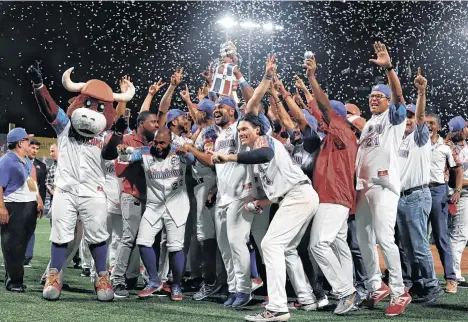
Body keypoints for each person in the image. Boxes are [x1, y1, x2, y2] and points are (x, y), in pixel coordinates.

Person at [354, 42, 411, 316]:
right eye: (372, 96)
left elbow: (400, 98)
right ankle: (376, 285)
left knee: (385, 239)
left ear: (388, 101)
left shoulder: (393, 117)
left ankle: (400, 291)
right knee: (364, 239)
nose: (374, 99)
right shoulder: (368, 123)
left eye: (379, 96)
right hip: (364, 187)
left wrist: (389, 68)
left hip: (384, 186)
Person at [304, 56, 360, 315]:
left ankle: (345, 292)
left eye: (327, 114)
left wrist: (313, 78)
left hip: (333, 198)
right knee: (339, 246)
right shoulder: (332, 134)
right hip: (338, 199)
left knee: (317, 246)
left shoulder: (342, 131)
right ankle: (349, 290)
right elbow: (316, 111)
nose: (321, 118)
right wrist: (294, 92)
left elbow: (323, 108)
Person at [122, 128, 195, 301]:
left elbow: (191, 160)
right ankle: (154, 281)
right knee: (143, 241)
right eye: (156, 142)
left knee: (175, 247)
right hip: (154, 205)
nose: (159, 146)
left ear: (170, 142)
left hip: (177, 205)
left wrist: (187, 152)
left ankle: (176, 285)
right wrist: (122, 151)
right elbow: (128, 156)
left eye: (163, 143)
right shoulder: (145, 152)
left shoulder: (179, 152)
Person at [396, 69, 443, 303]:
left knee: (419, 244)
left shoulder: (419, 137)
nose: (409, 120)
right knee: (407, 246)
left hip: (417, 195)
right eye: (406, 116)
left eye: (412, 117)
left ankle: (433, 285)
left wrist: (421, 92)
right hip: (401, 197)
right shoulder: (400, 140)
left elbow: (422, 114)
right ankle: (418, 284)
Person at [102, 110, 159, 298]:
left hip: (150, 198)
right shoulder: (126, 139)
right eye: (153, 122)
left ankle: (140, 277)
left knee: (146, 240)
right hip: (131, 195)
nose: (157, 125)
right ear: (141, 124)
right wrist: (138, 157)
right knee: (128, 238)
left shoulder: (154, 143)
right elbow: (118, 170)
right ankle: (117, 279)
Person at [0, 128, 43, 292]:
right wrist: (1, 207)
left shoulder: (26, 160)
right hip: (13, 207)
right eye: (26, 140)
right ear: (19, 143)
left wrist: (38, 200)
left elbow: (31, 182)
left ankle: (15, 278)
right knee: (12, 244)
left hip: (28, 206)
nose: (29, 142)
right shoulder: (6, 161)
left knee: (22, 244)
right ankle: (14, 282)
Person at [426, 113, 461, 293]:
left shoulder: (445, 147)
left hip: (438, 191)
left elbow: (458, 168)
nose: (428, 125)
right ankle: (420, 278)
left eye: (432, 123)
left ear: (438, 127)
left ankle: (451, 278)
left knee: (441, 237)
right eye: (425, 123)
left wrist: (457, 190)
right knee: (417, 237)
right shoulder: (418, 143)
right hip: (419, 190)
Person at [445, 116, 468, 288]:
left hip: (458, 193)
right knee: (458, 234)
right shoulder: (452, 148)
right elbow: (453, 180)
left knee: (456, 233)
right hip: (457, 194)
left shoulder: (459, 147)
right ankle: (455, 274)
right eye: (465, 127)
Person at [24, 138, 47, 267]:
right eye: (33, 148)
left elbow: (42, 187)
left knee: (30, 230)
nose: (35, 151)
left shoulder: (41, 166)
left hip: (33, 202)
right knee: (17, 230)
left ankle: (27, 257)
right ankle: (13, 257)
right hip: (20, 201)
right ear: (28, 147)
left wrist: (41, 203)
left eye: (37, 149)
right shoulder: (20, 162)